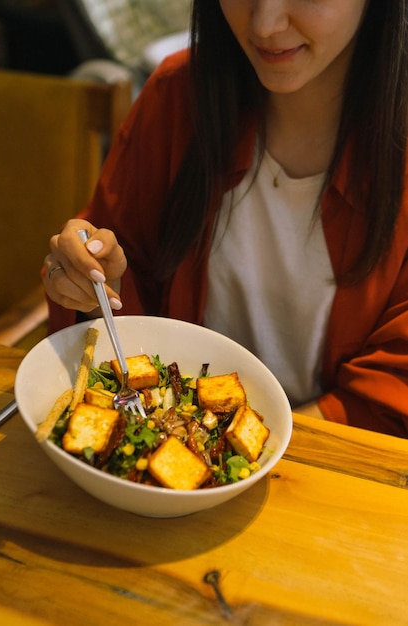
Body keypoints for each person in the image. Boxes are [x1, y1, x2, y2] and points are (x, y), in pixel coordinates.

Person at [43, 0, 408, 438]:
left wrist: (246, 453)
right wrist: (89, 281)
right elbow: (119, 268)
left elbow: (392, 390)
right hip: (159, 468)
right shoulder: (180, 97)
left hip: (333, 477)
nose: (265, 24)